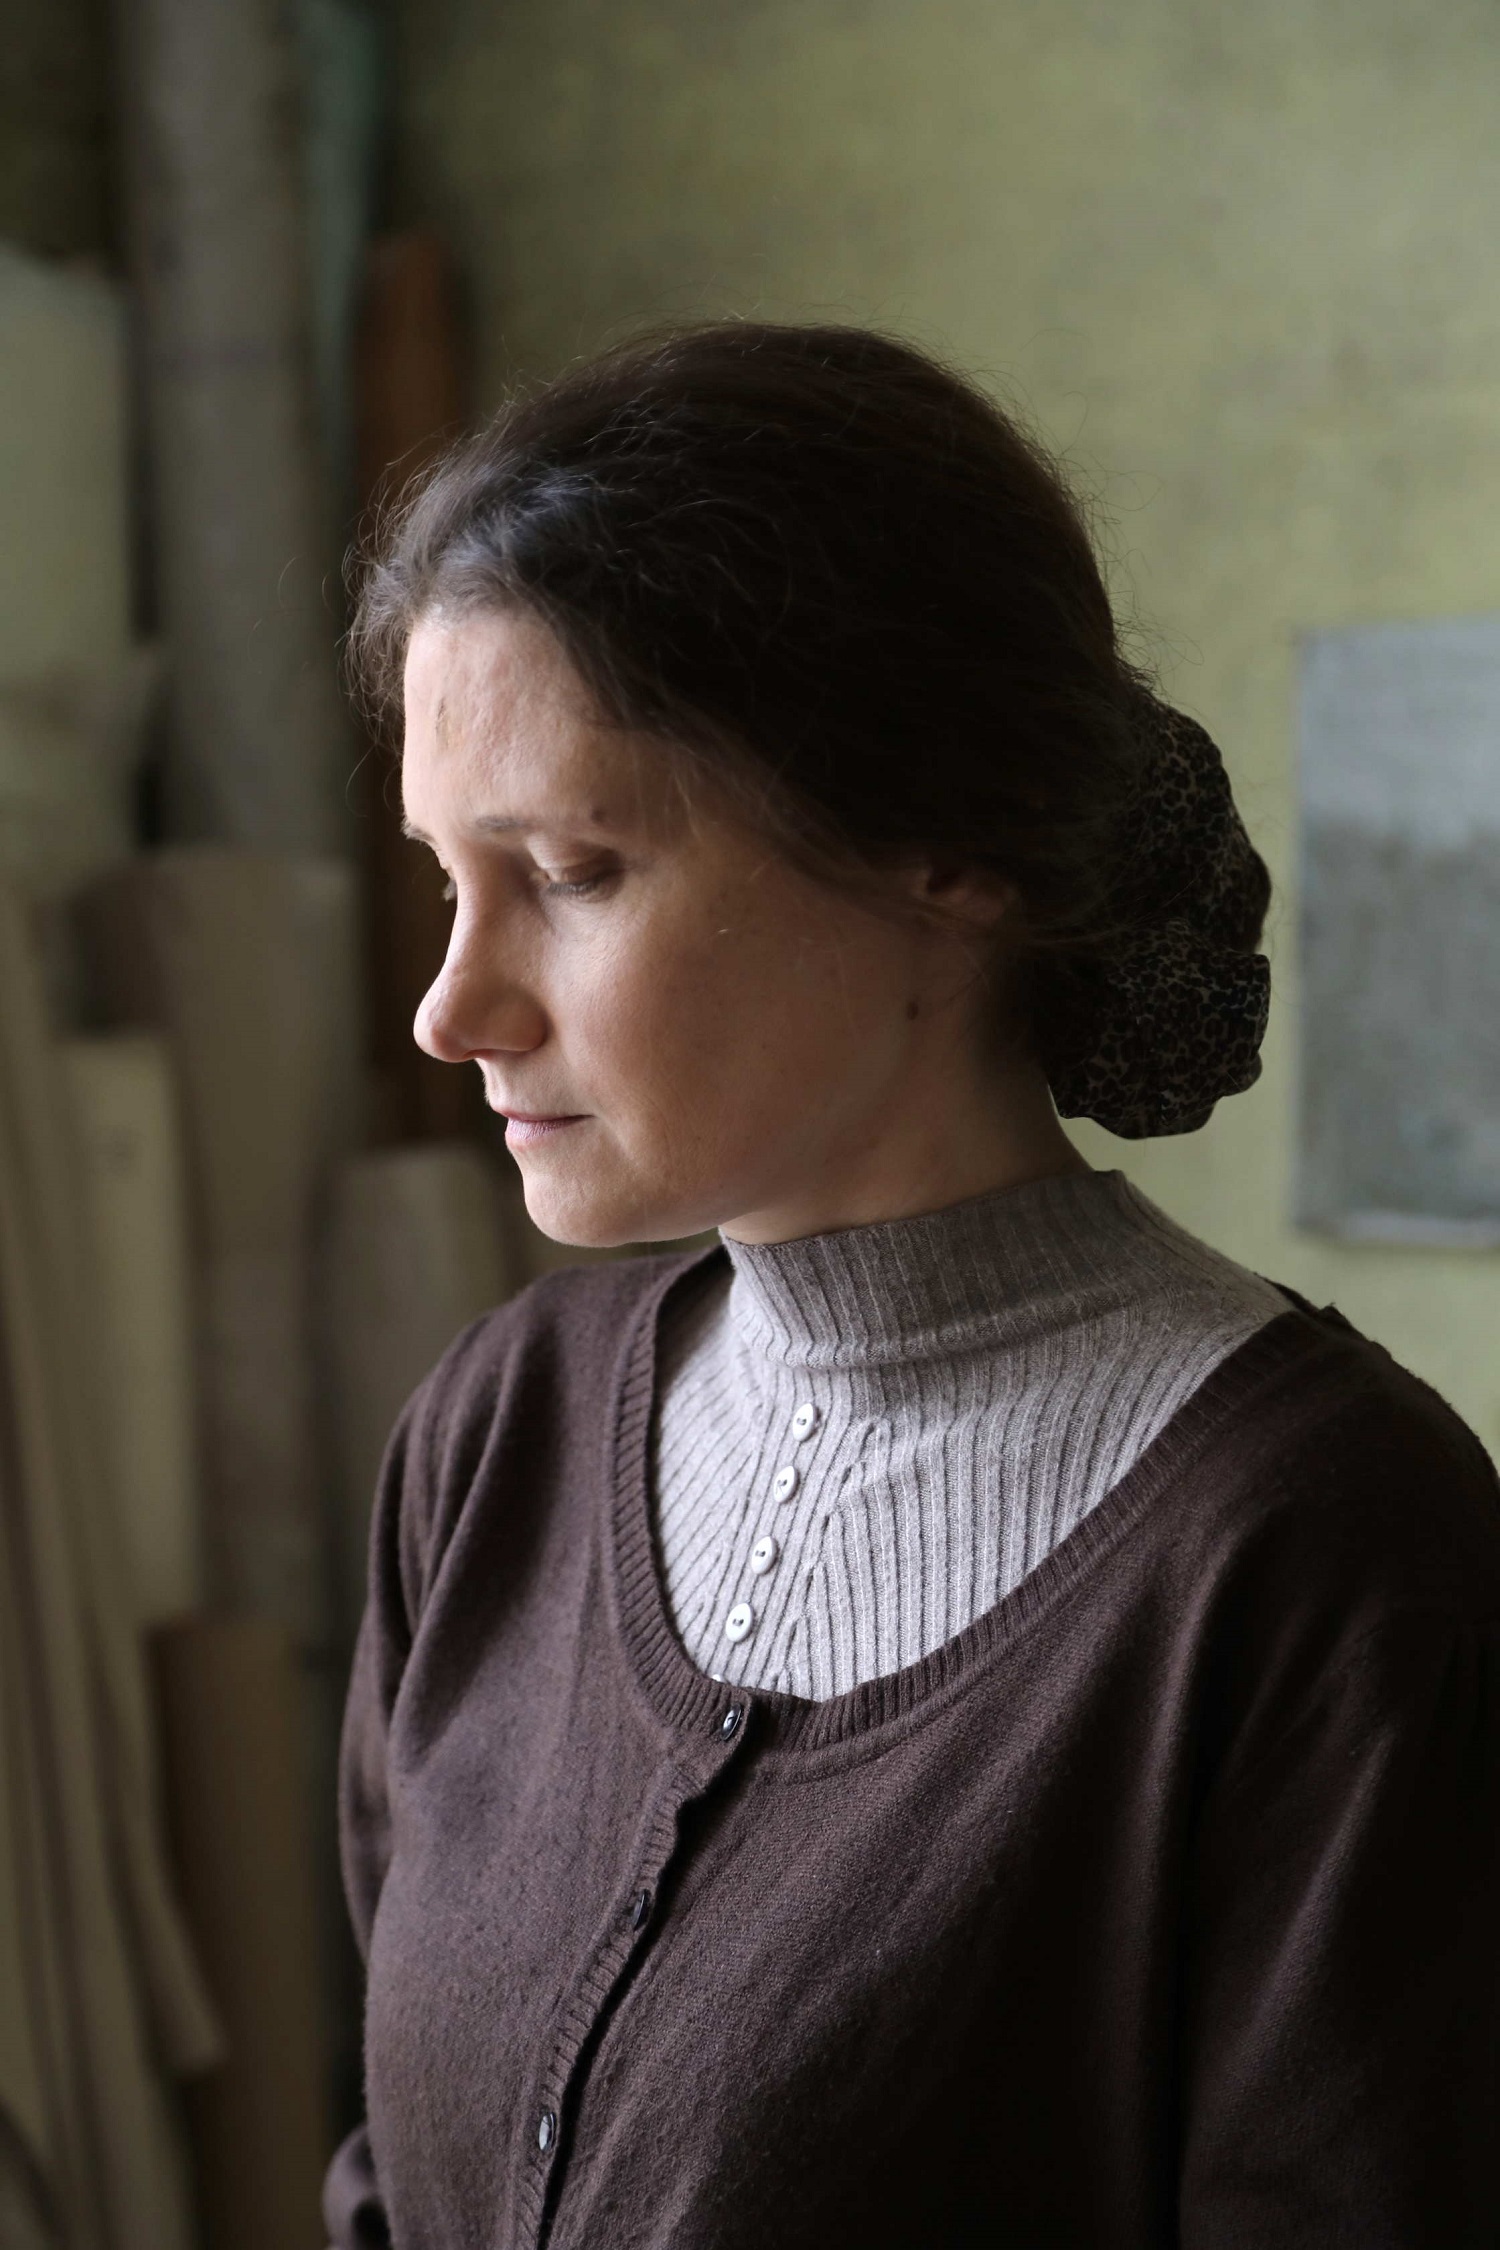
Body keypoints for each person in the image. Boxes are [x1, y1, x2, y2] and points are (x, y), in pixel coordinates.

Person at [325, 322, 1500, 2249]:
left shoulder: (1323, 1563)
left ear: (944, 846)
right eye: (447, 879)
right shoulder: (491, 1440)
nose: (453, 1008)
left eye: (573, 869)